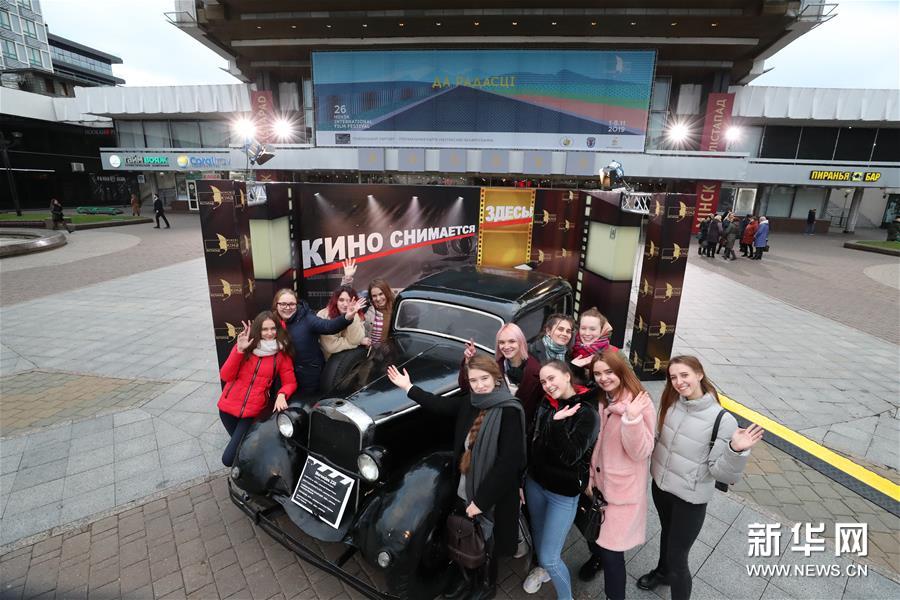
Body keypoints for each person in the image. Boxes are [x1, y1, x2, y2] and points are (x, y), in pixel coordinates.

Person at [386, 355, 526, 600]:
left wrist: (480, 502)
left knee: (487, 539)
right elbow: (439, 405)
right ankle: (466, 577)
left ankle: (485, 585)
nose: (480, 385)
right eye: (474, 380)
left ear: (496, 378)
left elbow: (508, 463)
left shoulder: (509, 411)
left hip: (492, 492)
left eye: (484, 378)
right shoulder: (471, 402)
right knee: (468, 534)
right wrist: (408, 387)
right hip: (466, 483)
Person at [637, 356, 764, 600]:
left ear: (699, 374)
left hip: (690, 500)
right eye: (673, 377)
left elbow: (722, 473)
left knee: (678, 558)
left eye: (684, 375)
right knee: (667, 532)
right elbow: (659, 441)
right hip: (661, 488)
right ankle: (662, 573)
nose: (679, 382)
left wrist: (735, 450)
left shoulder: (722, 420)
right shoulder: (671, 403)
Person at [577, 350, 655, 600]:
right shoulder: (603, 398)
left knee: (613, 554)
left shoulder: (639, 403)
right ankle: (597, 560)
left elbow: (642, 451)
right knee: (595, 537)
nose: (603, 378)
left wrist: (632, 420)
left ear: (621, 371)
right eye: (598, 373)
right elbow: (597, 445)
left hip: (622, 495)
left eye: (609, 372)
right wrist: (591, 477)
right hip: (598, 487)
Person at [522, 360, 599, 599]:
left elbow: (571, 455)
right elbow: (533, 438)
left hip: (563, 493)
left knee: (550, 557)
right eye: (543, 381)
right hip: (535, 483)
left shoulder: (587, 412)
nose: (547, 385)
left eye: (552, 378)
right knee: (537, 532)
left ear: (567, 376)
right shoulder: (547, 402)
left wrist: (556, 424)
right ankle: (542, 571)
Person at [217, 311, 297, 467]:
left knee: (229, 458)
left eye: (273, 329)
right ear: (258, 330)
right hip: (227, 409)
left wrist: (282, 394)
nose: (269, 333)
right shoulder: (246, 346)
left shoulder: (281, 354)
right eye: (264, 329)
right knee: (244, 451)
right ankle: (247, 475)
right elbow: (226, 376)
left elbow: (290, 383)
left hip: (251, 412)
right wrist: (239, 351)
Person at [272, 288, 365, 397]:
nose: (287, 308)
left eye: (291, 304)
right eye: (283, 304)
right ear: (276, 304)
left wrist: (347, 317)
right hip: (282, 377)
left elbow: (328, 326)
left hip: (307, 378)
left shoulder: (307, 318)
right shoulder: (272, 321)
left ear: (296, 304)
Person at [459, 323, 543, 428]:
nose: (506, 346)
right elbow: (466, 388)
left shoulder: (537, 371)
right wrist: (468, 362)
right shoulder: (494, 367)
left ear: (521, 342)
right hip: (496, 424)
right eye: (502, 342)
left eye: (511, 341)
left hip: (524, 428)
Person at [316, 285, 365, 360]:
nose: (345, 304)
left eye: (349, 300)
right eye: (341, 300)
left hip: (349, 360)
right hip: (329, 361)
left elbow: (355, 339)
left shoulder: (356, 315)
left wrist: (353, 315)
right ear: (335, 301)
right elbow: (331, 346)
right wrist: (357, 343)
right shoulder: (323, 315)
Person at [363, 279, 394, 348]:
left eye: (381, 294)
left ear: (386, 292)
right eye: (374, 296)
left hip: (385, 351)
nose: (378, 299)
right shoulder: (366, 307)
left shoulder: (395, 308)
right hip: (367, 350)